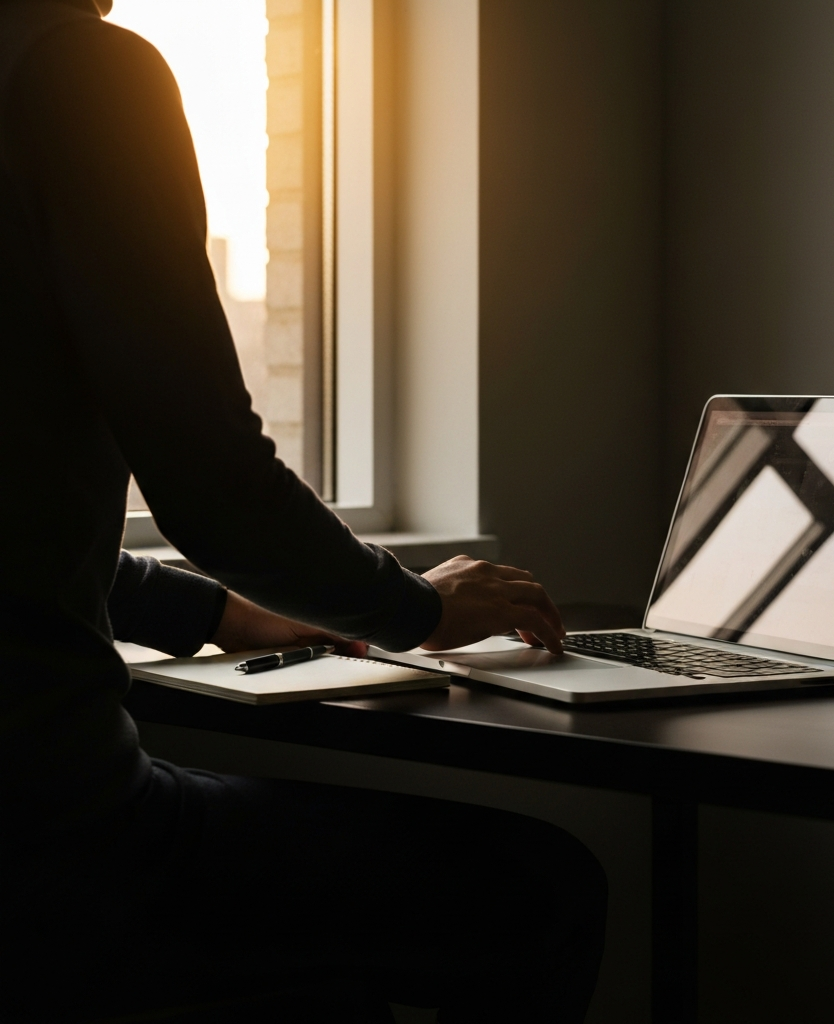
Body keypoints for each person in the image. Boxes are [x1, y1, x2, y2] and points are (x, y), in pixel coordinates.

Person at [0, 0, 607, 1020]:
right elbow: (213, 480)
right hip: (48, 838)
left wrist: (214, 614)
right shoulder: (78, 74)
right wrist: (416, 607)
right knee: (535, 889)